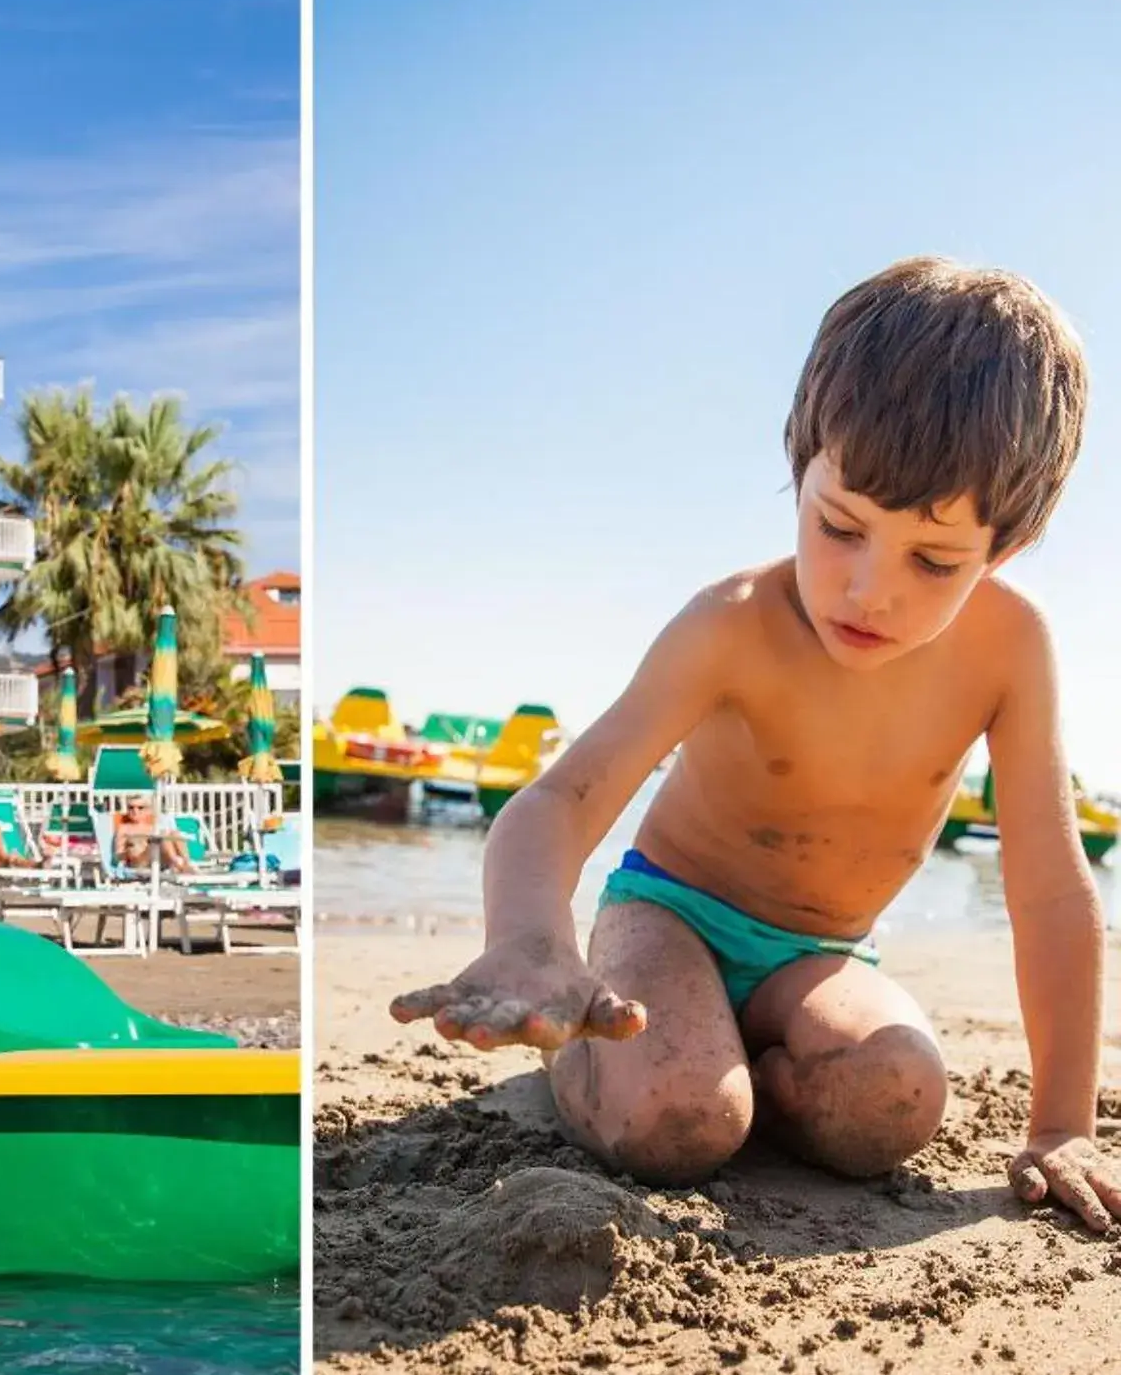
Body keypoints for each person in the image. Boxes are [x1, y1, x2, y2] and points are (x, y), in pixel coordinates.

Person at [392, 258, 1118, 1232]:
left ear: (1005, 549)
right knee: (681, 1124)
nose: (869, 590)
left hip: (819, 956)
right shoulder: (731, 625)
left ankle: (725, 1062)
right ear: (803, 459)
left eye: (935, 560)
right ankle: (603, 1051)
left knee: (897, 1102)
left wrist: (1061, 1122)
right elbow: (558, 803)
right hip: (669, 917)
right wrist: (531, 938)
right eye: (839, 526)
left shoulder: (1011, 649)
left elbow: (1049, 887)